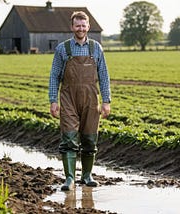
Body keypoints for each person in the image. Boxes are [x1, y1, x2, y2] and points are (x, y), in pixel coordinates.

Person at [48, 11, 111, 191]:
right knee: (69, 138)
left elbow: (104, 76)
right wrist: (53, 100)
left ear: (88, 27)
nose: (81, 28)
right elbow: (54, 76)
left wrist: (106, 101)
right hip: (68, 98)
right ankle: (69, 178)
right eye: (78, 25)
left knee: (90, 138)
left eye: (84, 25)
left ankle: (86, 175)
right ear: (72, 27)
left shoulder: (96, 48)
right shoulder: (63, 49)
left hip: (91, 98)